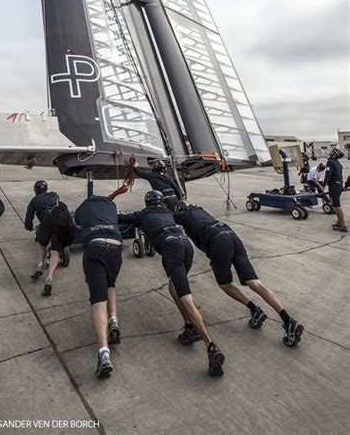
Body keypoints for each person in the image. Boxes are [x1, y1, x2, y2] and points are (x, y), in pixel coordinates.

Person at [164, 196, 305, 347]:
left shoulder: (181, 215)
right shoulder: (199, 209)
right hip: (231, 235)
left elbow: (167, 219)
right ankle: (288, 320)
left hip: (218, 242)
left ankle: (253, 308)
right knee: (255, 282)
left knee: (224, 284)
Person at [119, 190, 226, 377]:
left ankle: (210, 345)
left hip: (171, 247)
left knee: (186, 296)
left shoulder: (143, 214)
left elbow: (123, 218)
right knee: (173, 287)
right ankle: (189, 327)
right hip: (186, 245)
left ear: (147, 202)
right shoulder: (169, 213)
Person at [75, 194, 123, 379]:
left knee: (98, 300)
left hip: (94, 246)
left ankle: (104, 353)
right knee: (111, 284)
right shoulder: (111, 206)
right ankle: (114, 320)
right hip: (115, 246)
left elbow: (78, 226)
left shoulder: (82, 208)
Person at [24, 180, 64, 296]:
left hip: (45, 222)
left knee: (42, 244)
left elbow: (28, 218)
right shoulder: (54, 195)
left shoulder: (34, 201)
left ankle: (40, 265)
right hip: (58, 221)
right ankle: (49, 278)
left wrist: (30, 227)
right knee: (55, 252)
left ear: (35, 190)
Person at [323, 148, 347, 232]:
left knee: (337, 205)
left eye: (332, 151)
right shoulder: (338, 163)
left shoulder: (330, 162)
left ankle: (343, 225)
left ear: (334, 154)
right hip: (338, 185)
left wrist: (323, 185)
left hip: (334, 186)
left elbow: (328, 175)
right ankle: (339, 222)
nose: (330, 152)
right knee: (335, 204)